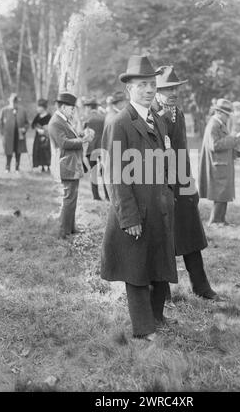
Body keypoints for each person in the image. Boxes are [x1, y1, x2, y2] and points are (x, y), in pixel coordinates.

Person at [101, 55, 178, 341]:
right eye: (142, 85)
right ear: (129, 90)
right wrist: (129, 217)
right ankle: (144, 328)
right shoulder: (120, 123)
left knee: (158, 263)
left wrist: (169, 195)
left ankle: (157, 317)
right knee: (136, 269)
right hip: (135, 211)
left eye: (152, 84)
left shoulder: (157, 120)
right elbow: (117, 176)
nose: (148, 89)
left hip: (159, 208)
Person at [153, 65, 219, 301]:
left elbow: (182, 153)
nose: (173, 92)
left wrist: (190, 185)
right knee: (163, 242)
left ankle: (201, 287)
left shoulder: (177, 112)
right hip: (160, 188)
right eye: (167, 88)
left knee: (191, 236)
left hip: (182, 185)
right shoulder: (151, 115)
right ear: (156, 91)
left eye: (175, 88)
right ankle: (163, 295)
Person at [48, 92, 94, 239]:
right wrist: (83, 140)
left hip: (71, 164)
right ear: (62, 107)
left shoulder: (63, 120)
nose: (73, 111)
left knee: (72, 198)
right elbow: (64, 143)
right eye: (71, 108)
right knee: (69, 199)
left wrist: (81, 135)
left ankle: (71, 228)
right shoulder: (56, 122)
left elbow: (70, 138)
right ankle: (63, 232)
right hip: (66, 165)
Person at [199, 99, 240, 225]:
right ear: (218, 112)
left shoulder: (219, 124)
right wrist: (232, 139)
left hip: (221, 164)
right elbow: (214, 145)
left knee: (224, 193)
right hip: (217, 165)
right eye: (226, 115)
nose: (228, 117)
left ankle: (221, 220)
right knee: (220, 194)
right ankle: (215, 221)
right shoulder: (214, 124)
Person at [83, 96, 108, 201]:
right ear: (97, 107)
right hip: (102, 147)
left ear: (89, 107)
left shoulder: (86, 118)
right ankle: (107, 195)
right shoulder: (103, 117)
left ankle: (96, 196)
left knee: (93, 172)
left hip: (91, 148)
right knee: (104, 172)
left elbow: (84, 134)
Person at [0, 92, 29, 173]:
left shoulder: (22, 110)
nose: (14, 103)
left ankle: (17, 168)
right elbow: (0, 123)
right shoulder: (4, 110)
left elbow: (27, 123)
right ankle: (7, 168)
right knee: (8, 151)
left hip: (19, 135)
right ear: (9, 101)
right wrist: (2, 133)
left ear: (17, 102)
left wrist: (24, 129)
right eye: (12, 101)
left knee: (18, 151)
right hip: (8, 135)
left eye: (15, 101)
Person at [31, 98, 51, 172]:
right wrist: (37, 129)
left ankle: (48, 166)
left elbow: (51, 127)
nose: (38, 109)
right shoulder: (38, 116)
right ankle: (41, 166)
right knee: (38, 151)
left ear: (43, 107)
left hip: (46, 137)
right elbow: (33, 125)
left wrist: (45, 131)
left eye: (39, 107)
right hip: (38, 137)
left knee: (46, 151)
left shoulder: (49, 116)